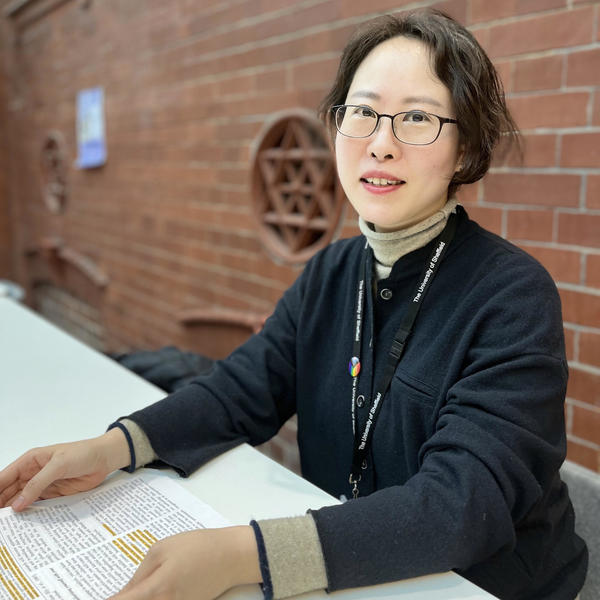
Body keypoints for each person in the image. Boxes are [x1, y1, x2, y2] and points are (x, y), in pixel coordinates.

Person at [0, 9, 588, 600]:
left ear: (465, 152)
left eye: (416, 118)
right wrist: (111, 449)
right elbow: (240, 390)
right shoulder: (332, 270)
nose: (380, 144)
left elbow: (462, 504)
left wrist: (241, 554)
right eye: (361, 113)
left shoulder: (512, 294)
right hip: (354, 567)